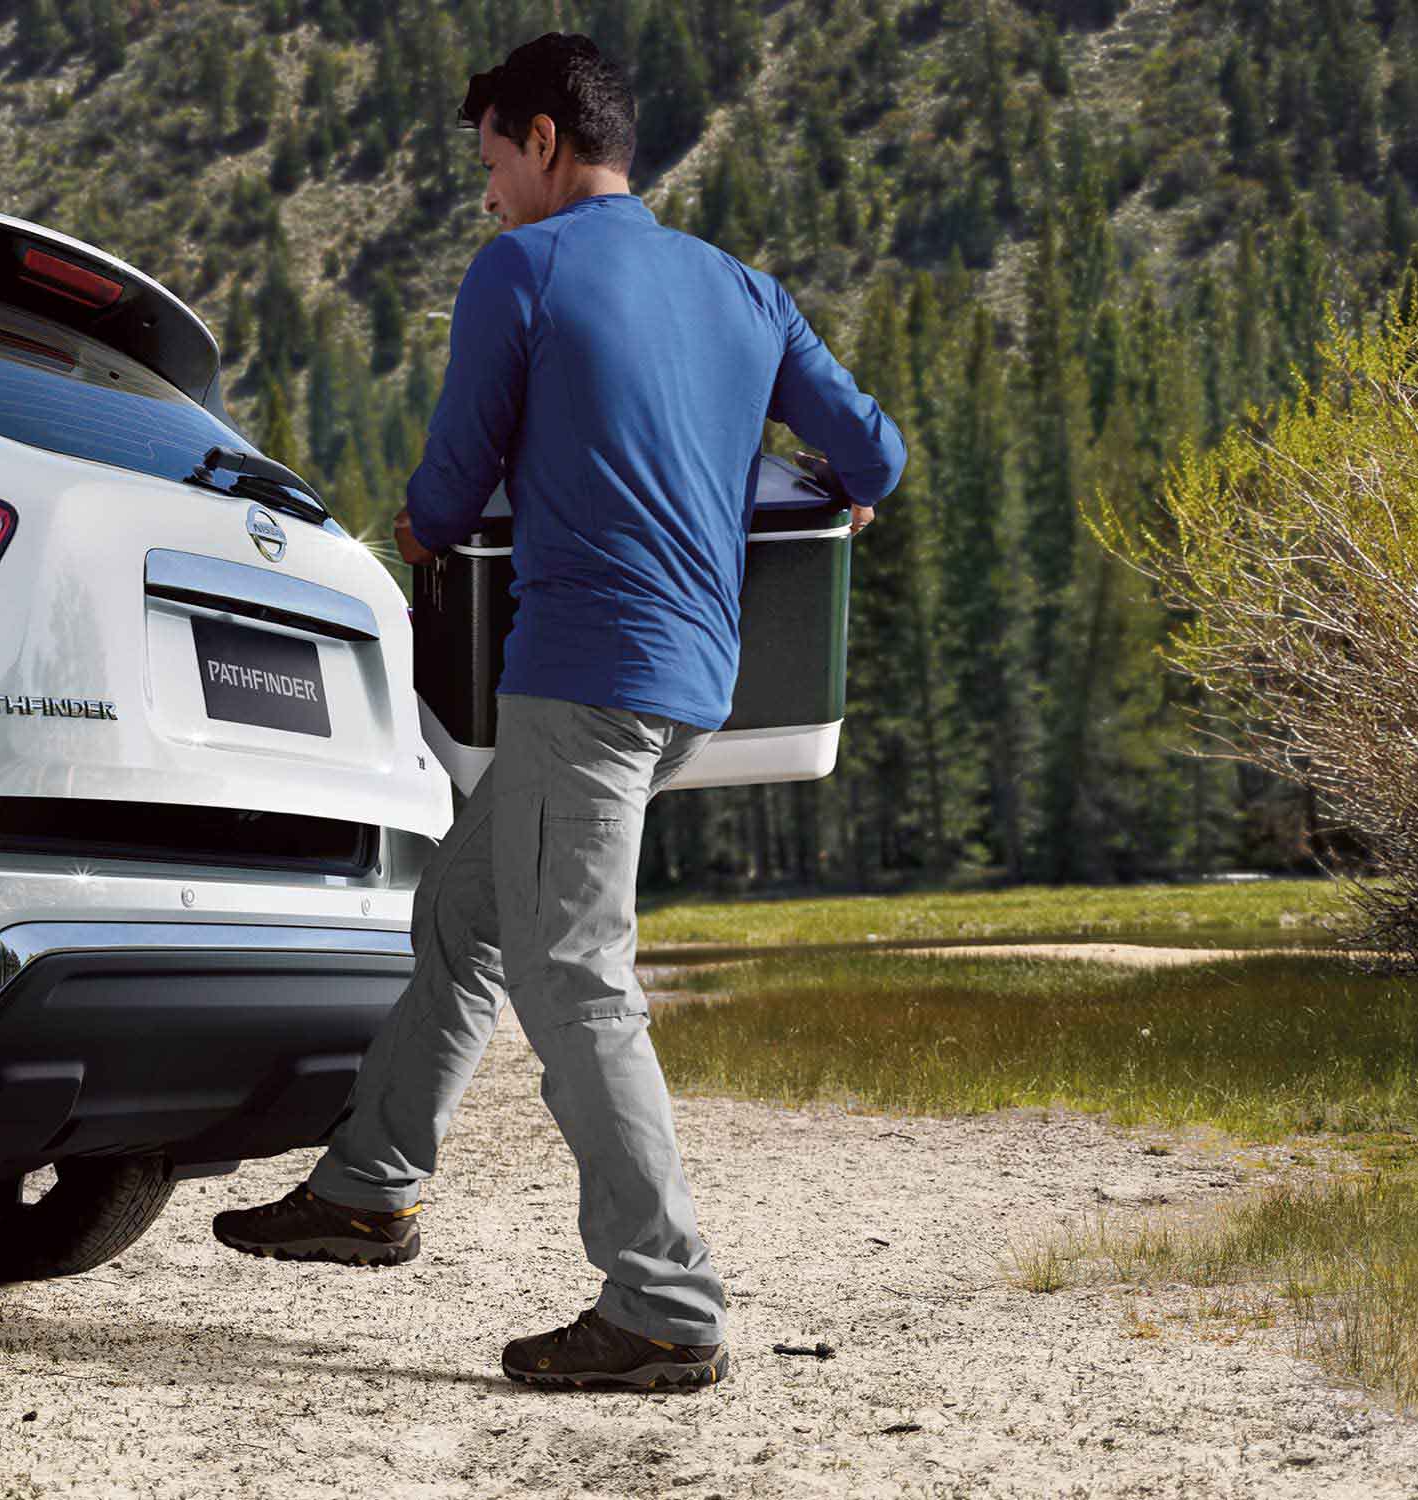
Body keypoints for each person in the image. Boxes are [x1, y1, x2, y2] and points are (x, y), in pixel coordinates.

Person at [210, 32, 906, 1393]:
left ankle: (664, 1303)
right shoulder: (741, 290)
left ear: (541, 139)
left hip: (584, 672)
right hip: (696, 680)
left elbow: (456, 481)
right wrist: (838, 485)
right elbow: (873, 449)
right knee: (466, 913)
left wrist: (414, 529)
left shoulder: (520, 271)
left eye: (490, 164)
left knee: (575, 981)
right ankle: (366, 1188)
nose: (486, 196)